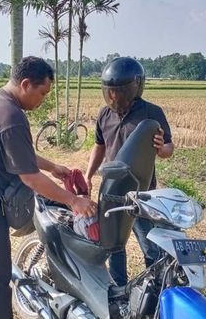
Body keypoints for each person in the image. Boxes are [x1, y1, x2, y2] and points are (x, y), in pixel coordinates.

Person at [0, 56, 97, 319]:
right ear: (26, 84)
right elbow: (30, 177)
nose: (41, 101)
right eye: (42, 93)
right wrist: (73, 201)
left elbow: (17, 153)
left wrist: (53, 167)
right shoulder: (11, 116)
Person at [84, 57, 174, 286]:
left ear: (135, 88)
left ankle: (155, 288)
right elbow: (99, 146)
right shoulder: (104, 114)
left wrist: (161, 147)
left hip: (141, 193)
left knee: (150, 246)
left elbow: (168, 149)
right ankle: (119, 288)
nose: (113, 96)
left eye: (119, 91)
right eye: (109, 91)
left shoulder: (152, 114)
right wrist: (88, 174)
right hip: (112, 191)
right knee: (114, 246)